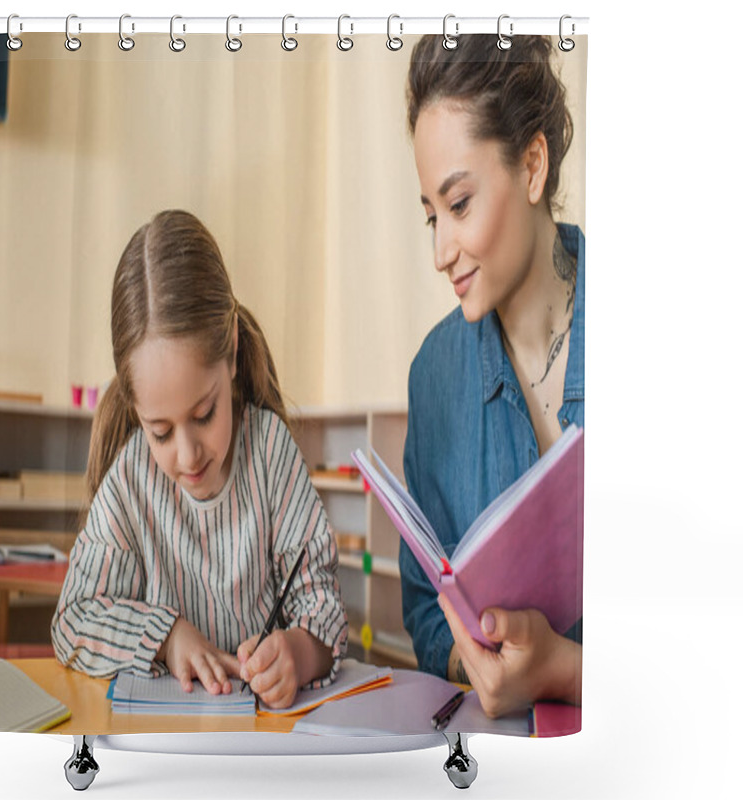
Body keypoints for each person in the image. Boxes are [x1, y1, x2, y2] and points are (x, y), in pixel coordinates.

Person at [51, 209, 347, 709]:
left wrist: (298, 653)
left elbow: (321, 603)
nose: (187, 456)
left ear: (230, 349)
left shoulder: (271, 452)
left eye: (205, 413)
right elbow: (72, 620)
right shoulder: (131, 479)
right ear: (134, 406)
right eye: (160, 432)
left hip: (264, 742)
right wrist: (166, 637)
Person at [400, 34, 584, 719]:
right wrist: (470, 662)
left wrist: (567, 670)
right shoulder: (434, 376)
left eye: (460, 203)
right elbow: (423, 607)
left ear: (532, 166)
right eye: (430, 216)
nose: (441, 252)